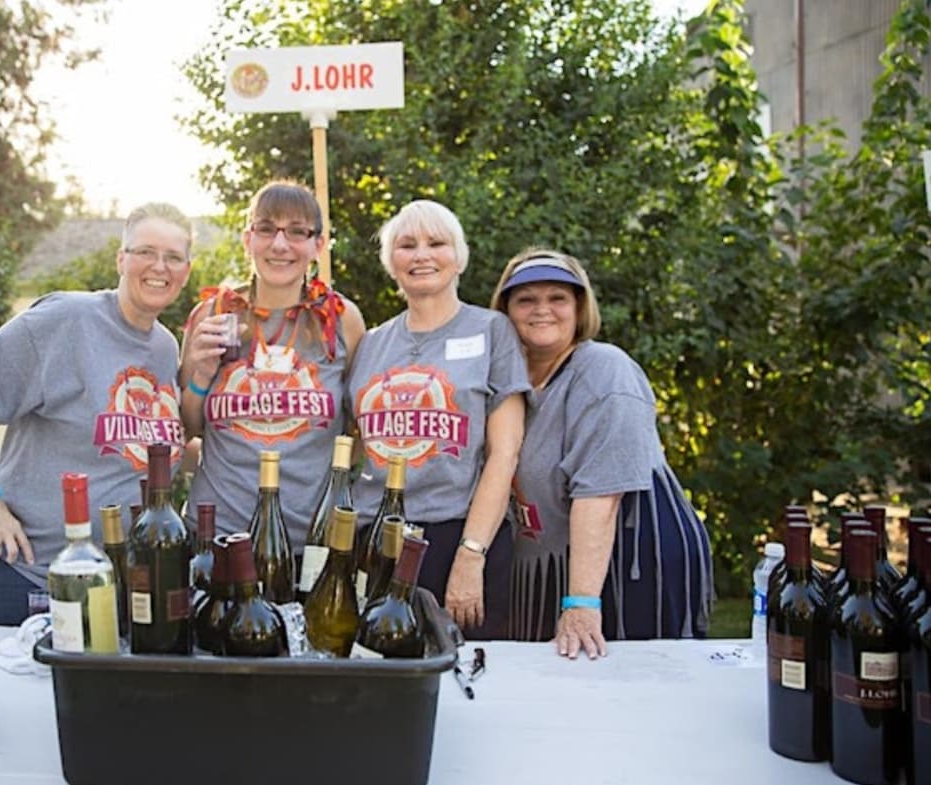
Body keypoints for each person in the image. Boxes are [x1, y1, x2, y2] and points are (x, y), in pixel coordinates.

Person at [0, 202, 194, 625]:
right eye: (145, 252)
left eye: (173, 257)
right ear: (121, 259)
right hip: (30, 578)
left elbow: (147, 448)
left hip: (119, 585)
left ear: (186, 270)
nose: (159, 266)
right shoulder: (67, 319)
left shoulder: (165, 347)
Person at [491, 247, 713, 659]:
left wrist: (581, 604)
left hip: (630, 558)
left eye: (557, 297)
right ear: (505, 312)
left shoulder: (604, 370)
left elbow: (601, 495)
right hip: (555, 559)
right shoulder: (510, 383)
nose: (542, 309)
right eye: (526, 299)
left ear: (580, 308)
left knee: (628, 681)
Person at [347, 200, 529, 639]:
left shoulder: (492, 331)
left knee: (467, 667)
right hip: (375, 538)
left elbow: (505, 453)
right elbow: (351, 446)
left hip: (456, 535)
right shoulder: (370, 344)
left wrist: (471, 553)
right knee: (375, 663)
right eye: (407, 245)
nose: (422, 255)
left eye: (436, 243)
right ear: (392, 261)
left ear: (459, 257)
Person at [179, 180, 366, 548]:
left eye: (296, 231)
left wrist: (331, 481)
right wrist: (200, 375)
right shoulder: (214, 314)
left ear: (318, 245)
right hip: (216, 535)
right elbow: (187, 428)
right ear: (247, 239)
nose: (280, 244)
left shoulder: (341, 320)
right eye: (266, 228)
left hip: (310, 540)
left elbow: (361, 426)